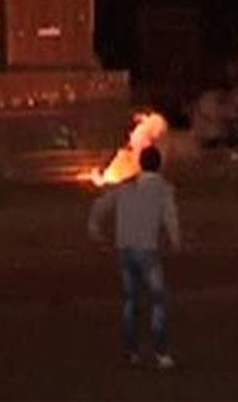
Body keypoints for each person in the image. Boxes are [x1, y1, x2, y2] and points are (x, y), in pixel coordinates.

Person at [87, 144, 183, 369]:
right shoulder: (163, 188)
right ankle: (160, 352)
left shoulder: (125, 186)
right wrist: (175, 240)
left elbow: (100, 206)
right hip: (146, 250)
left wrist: (95, 230)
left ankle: (132, 351)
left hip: (124, 249)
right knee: (157, 299)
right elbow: (170, 216)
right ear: (159, 165)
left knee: (131, 301)